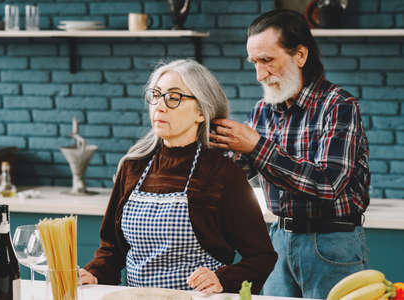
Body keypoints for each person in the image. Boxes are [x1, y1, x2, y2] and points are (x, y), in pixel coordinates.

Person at [209, 9, 371, 299]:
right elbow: (236, 174)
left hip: (332, 243)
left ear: (300, 55)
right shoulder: (262, 110)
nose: (260, 73)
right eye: (254, 62)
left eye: (267, 60)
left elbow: (328, 184)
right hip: (278, 241)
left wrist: (257, 146)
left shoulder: (339, 105)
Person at [80, 59, 277, 295]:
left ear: (201, 112)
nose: (159, 107)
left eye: (174, 98)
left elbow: (261, 257)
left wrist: (222, 279)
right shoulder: (133, 166)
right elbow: (111, 250)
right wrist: (94, 273)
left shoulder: (223, 173)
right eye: (156, 95)